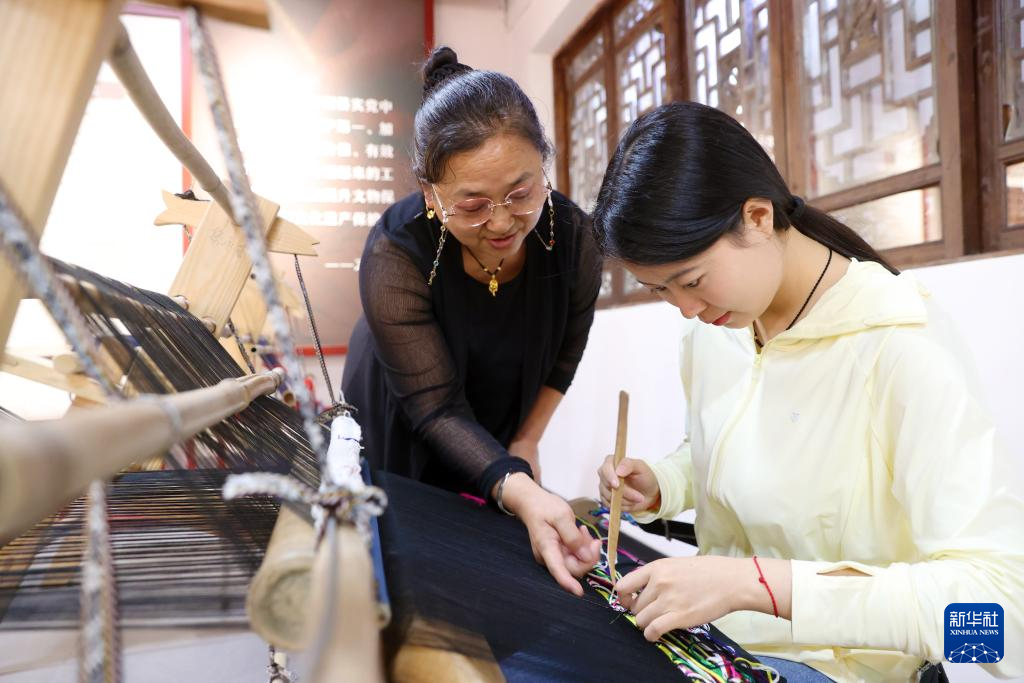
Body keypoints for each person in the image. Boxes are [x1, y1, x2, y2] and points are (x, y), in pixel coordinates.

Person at [593, 101, 1024, 681]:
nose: (687, 309)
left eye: (691, 280)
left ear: (757, 217)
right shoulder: (717, 328)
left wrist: (760, 585)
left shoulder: (899, 344)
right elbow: (735, 451)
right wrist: (664, 483)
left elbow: (1003, 621)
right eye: (660, 291)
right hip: (717, 645)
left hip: (834, 667)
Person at [343, 46, 602, 594]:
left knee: (495, 544)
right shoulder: (395, 252)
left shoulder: (574, 238)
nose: (502, 221)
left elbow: (566, 352)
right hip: (407, 401)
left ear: (544, 165)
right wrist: (522, 489)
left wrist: (525, 443)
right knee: (412, 560)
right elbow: (435, 409)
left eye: (520, 193)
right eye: (473, 205)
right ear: (430, 195)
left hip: (498, 392)